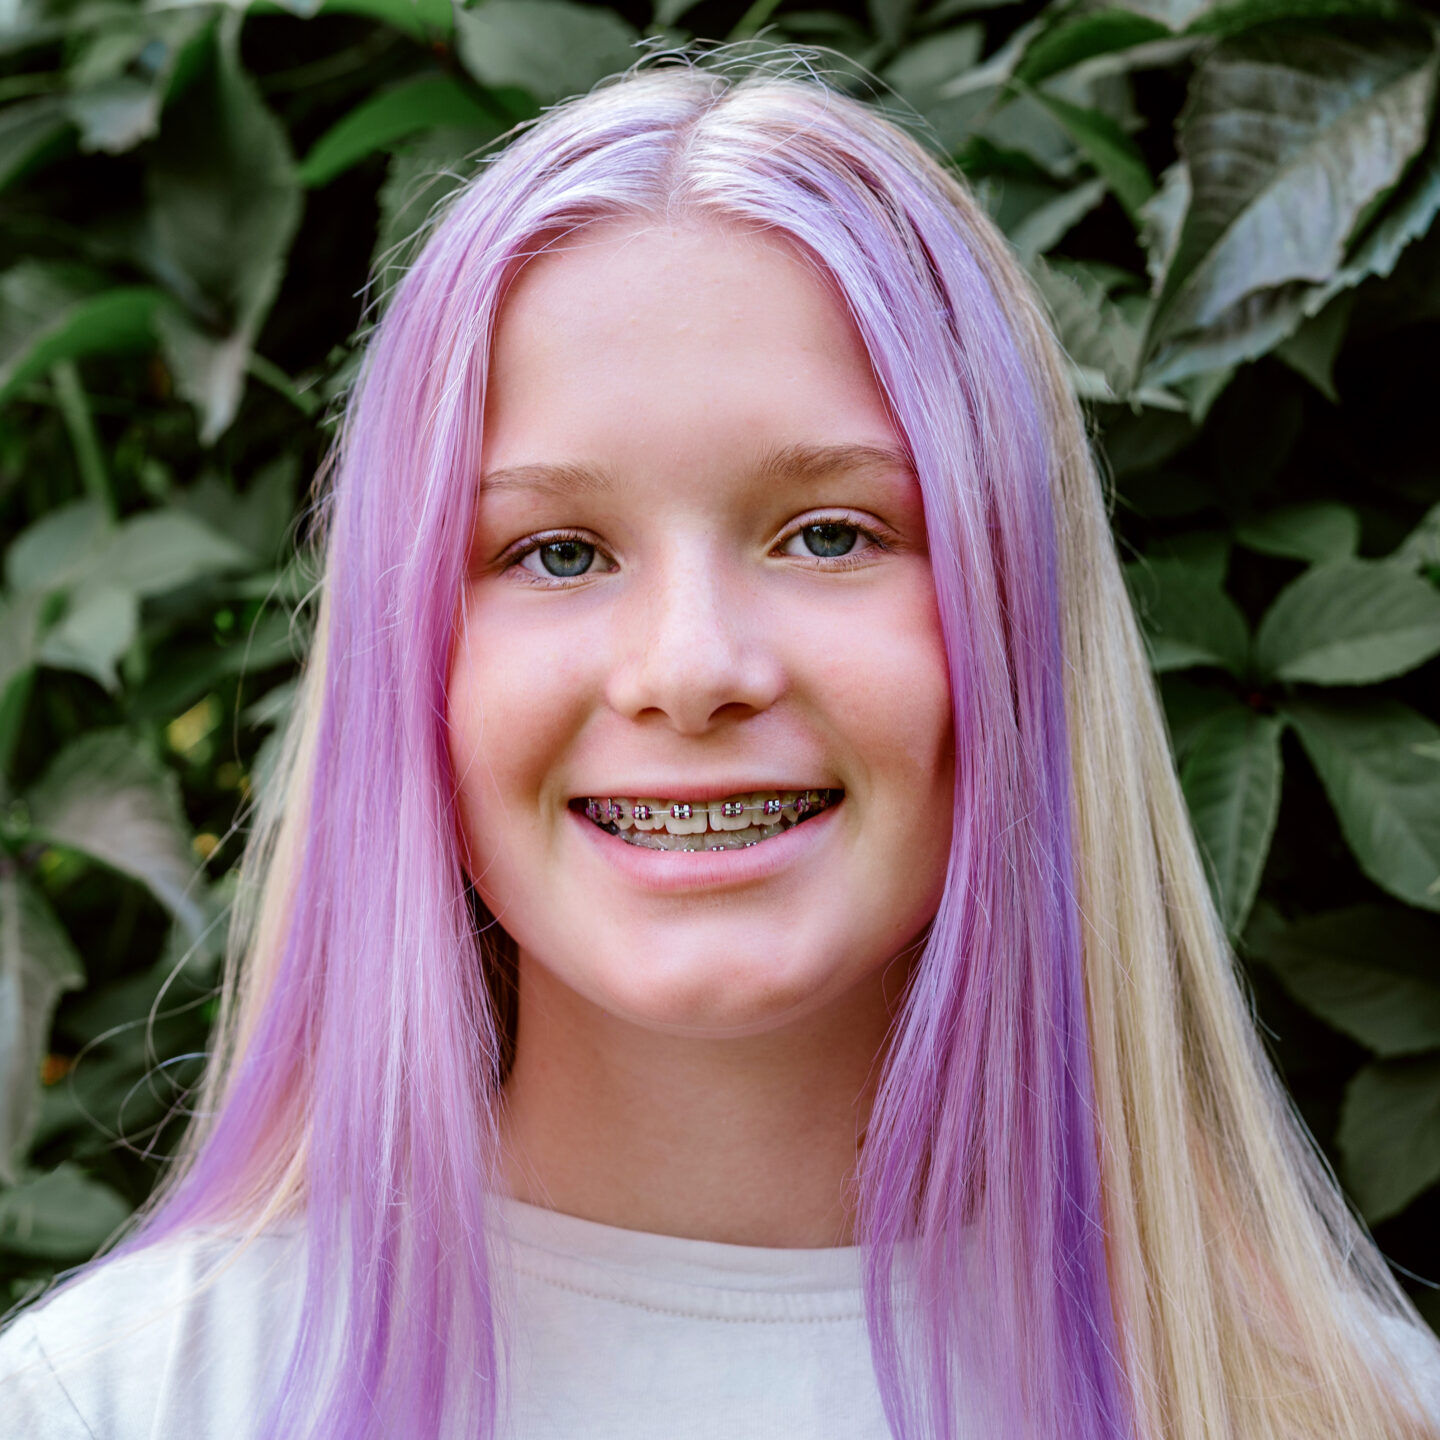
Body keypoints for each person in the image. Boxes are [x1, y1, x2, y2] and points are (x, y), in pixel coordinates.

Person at [3, 54, 1439, 1440]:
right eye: (556, 551)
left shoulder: (1342, 1411)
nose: (690, 671)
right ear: (409, 666)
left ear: (1016, 628)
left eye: (831, 534)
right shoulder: (112, 1406)